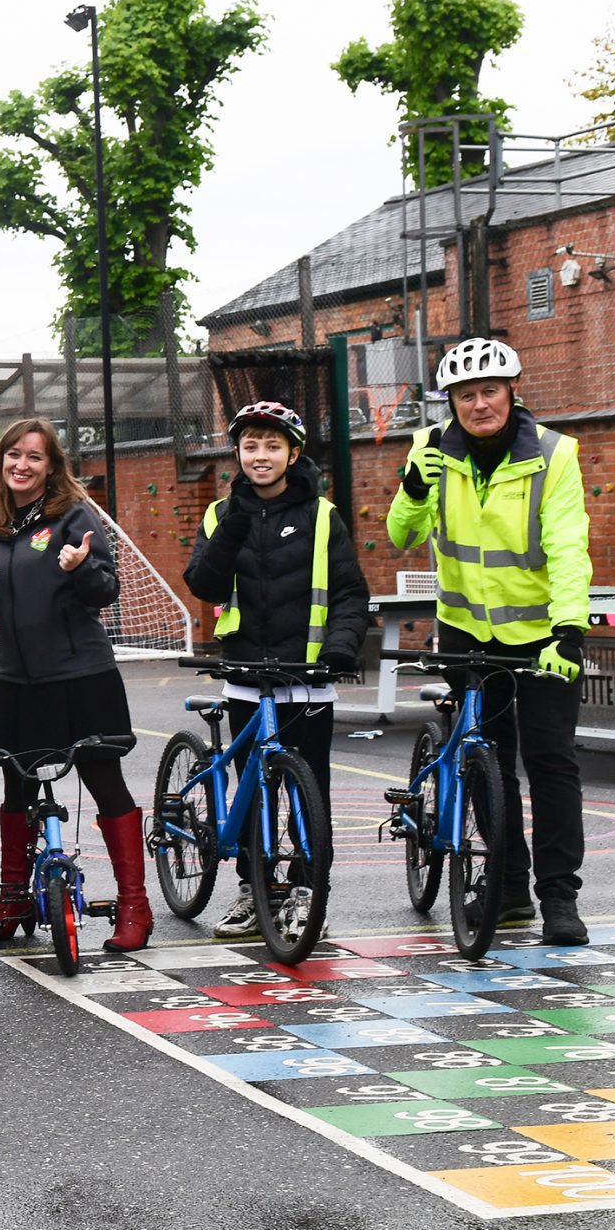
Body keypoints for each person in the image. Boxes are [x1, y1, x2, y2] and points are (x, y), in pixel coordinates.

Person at [386, 337, 593, 946]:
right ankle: (507, 891)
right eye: (466, 395)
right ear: (451, 403)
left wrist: (569, 630)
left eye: (490, 392)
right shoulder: (430, 448)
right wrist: (414, 489)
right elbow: (401, 534)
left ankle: (559, 897)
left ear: (512, 392)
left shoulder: (555, 455)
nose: (479, 405)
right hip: (467, 635)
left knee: (551, 761)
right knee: (489, 765)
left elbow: (567, 547)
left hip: (540, 639)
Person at [0, 417, 153, 952]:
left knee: (104, 782)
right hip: (18, 681)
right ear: (0, 463)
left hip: (80, 675)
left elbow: (105, 592)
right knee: (16, 788)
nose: (21, 465)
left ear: (52, 467)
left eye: (34, 457)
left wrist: (79, 566)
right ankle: (15, 898)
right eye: (12, 455)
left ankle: (135, 907)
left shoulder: (73, 518)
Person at [182, 402, 371, 940]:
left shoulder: (322, 515)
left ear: (293, 453)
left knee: (310, 797)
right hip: (244, 678)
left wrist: (339, 647)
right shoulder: (221, 514)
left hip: (307, 679)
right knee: (253, 794)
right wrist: (232, 528)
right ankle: (253, 888)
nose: (260, 456)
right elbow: (206, 585)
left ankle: (309, 892)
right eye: (250, 446)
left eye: (272, 445)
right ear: (237, 454)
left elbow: (350, 593)